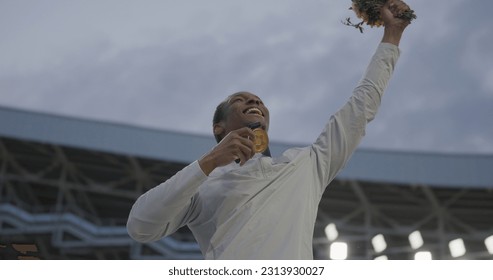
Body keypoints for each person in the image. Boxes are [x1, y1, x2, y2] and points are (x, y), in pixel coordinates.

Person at [127, 0, 410, 259]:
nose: (254, 101)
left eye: (259, 101)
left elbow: (360, 108)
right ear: (219, 127)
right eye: (239, 100)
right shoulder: (203, 187)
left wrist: (392, 36)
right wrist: (209, 162)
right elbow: (140, 226)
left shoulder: (306, 166)